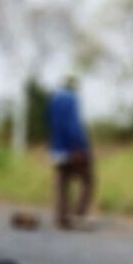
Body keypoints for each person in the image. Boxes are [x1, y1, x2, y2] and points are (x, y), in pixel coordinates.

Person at [47, 76, 94, 230]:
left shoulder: (54, 99)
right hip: (72, 148)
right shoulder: (72, 98)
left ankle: (62, 217)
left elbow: (52, 125)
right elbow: (72, 125)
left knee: (62, 181)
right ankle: (78, 215)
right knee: (87, 179)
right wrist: (79, 145)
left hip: (57, 148)